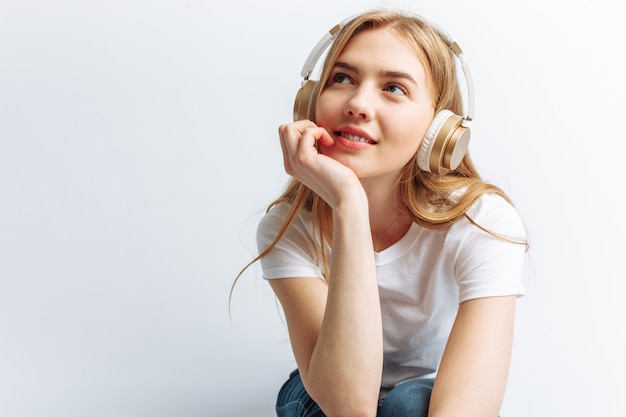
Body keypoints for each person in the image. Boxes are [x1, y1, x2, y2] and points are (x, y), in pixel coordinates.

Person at [236, 7, 528, 417]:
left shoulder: (482, 222)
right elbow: (347, 406)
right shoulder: (288, 227)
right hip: (323, 391)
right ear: (310, 101)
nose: (357, 103)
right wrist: (348, 204)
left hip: (428, 394)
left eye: (393, 88)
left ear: (440, 131)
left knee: (409, 404)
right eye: (342, 78)